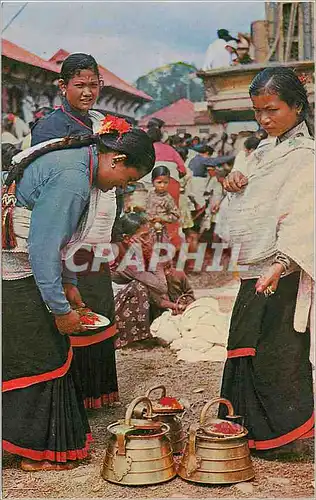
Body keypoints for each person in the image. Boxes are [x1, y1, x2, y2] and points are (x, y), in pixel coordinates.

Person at [2, 123, 155, 471]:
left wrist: (69, 283)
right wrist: (59, 309)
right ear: (115, 159)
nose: (124, 187)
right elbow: (43, 248)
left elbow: (64, 238)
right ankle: (31, 451)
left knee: (46, 352)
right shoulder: (73, 178)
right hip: (15, 268)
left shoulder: (81, 165)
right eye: (128, 179)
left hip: (28, 264)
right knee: (41, 355)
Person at [219, 67, 314, 454]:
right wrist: (234, 183)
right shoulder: (259, 151)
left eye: (272, 110)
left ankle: (284, 437)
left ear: (297, 106)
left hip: (282, 270)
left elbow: (305, 214)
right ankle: (248, 428)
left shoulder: (306, 157)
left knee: (278, 351)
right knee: (245, 343)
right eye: (258, 111)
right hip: (253, 266)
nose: (264, 119)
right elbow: (248, 205)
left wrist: (281, 263)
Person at [30, 53, 123, 410]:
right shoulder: (49, 127)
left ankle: (98, 392)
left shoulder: (102, 121)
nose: (87, 92)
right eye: (79, 85)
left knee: (96, 304)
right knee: (72, 306)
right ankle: (74, 398)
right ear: (63, 86)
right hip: (65, 224)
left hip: (96, 227)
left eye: (93, 85)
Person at [112, 213, 195, 348]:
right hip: (118, 308)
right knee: (140, 285)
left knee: (171, 273)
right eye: (144, 236)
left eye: (150, 234)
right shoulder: (126, 259)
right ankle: (134, 338)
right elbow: (161, 287)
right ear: (127, 239)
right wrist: (151, 253)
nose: (150, 239)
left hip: (145, 302)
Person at [146, 165, 180, 246]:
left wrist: (161, 218)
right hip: (147, 229)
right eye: (159, 182)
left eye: (165, 182)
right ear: (152, 181)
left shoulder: (168, 198)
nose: (162, 185)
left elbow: (176, 215)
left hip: (159, 231)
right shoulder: (150, 193)